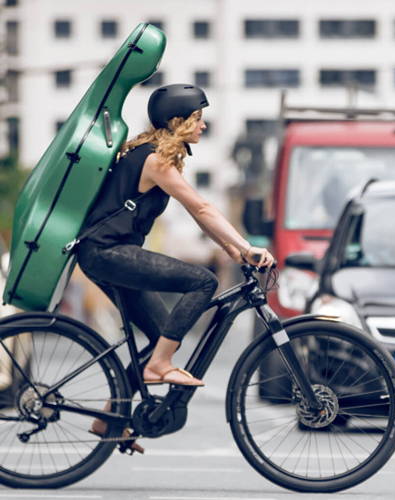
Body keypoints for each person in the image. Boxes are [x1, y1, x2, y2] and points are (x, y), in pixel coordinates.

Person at [77, 83, 274, 452]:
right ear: (177, 120)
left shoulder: (151, 154)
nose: (203, 126)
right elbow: (201, 207)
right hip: (108, 252)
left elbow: (199, 216)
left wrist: (233, 248)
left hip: (104, 252)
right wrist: (248, 247)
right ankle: (159, 366)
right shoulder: (155, 160)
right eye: (198, 118)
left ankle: (108, 418)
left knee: (156, 336)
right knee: (202, 281)